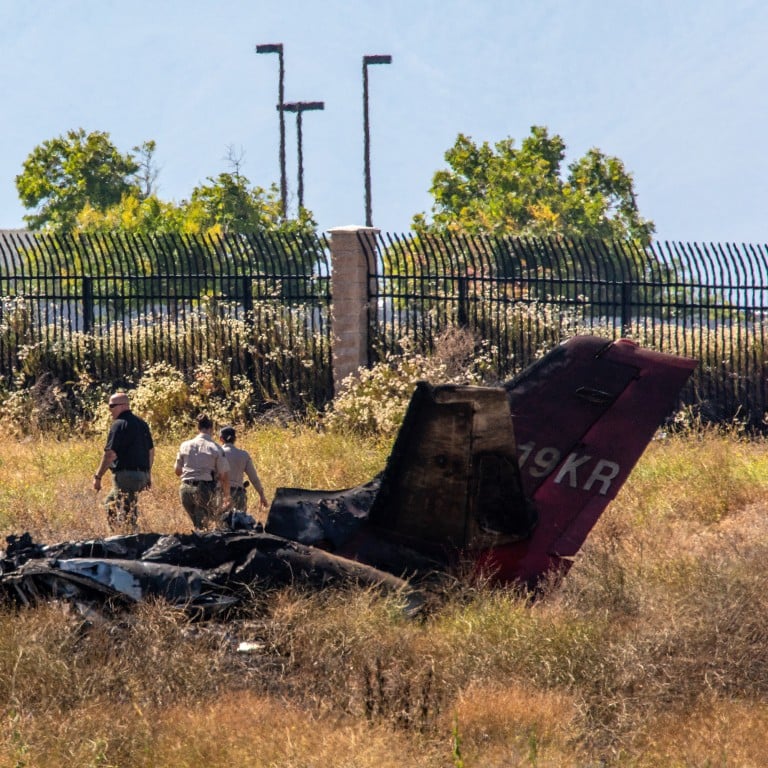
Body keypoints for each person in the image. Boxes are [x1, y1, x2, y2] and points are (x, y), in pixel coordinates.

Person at [92, 391, 154, 532]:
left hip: (126, 477)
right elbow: (151, 451)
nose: (110, 410)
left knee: (127, 512)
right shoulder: (142, 424)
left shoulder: (118, 424)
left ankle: (129, 539)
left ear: (123, 406)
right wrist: (147, 474)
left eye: (112, 406)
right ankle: (118, 534)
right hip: (142, 476)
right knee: (111, 504)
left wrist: (98, 476)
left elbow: (110, 454)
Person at [175, 414, 232, 529]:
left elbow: (177, 471)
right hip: (204, 490)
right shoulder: (215, 448)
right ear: (211, 429)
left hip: (185, 489)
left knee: (197, 524)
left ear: (198, 428)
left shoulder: (184, 445)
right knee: (203, 528)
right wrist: (227, 496)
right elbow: (223, 476)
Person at [218, 425, 269, 513]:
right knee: (240, 524)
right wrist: (261, 495)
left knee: (222, 525)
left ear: (221, 439)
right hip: (239, 495)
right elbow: (254, 478)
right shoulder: (244, 455)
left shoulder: (217, 453)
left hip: (221, 494)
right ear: (235, 439)